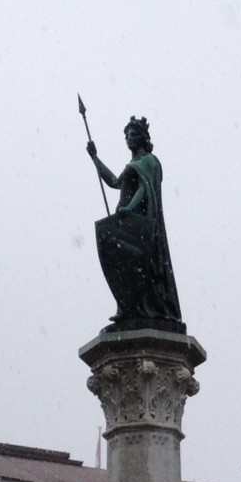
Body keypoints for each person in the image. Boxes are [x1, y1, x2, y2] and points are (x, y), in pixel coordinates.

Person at [87, 117, 183, 327]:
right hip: (126, 221)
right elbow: (114, 182)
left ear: (142, 137)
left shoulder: (149, 161)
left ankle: (144, 307)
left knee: (140, 263)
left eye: (132, 134)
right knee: (124, 263)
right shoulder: (131, 165)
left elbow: (143, 189)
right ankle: (129, 306)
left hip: (138, 223)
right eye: (126, 136)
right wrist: (95, 158)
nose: (128, 138)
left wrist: (129, 208)